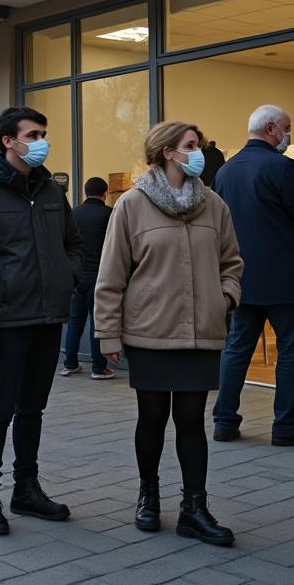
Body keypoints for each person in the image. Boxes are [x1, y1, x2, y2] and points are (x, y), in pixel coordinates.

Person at [95, 120, 243, 545]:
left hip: (201, 333)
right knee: (153, 418)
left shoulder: (214, 204)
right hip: (150, 333)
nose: (199, 152)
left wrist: (225, 298)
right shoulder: (132, 205)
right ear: (167, 152)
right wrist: (108, 334)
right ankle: (148, 496)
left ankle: (194, 508)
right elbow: (111, 276)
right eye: (192, 145)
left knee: (192, 420)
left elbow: (232, 262)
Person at [0, 106, 83, 536]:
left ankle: (26, 488)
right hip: (5, 322)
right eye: (33, 133)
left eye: (44, 132)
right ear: (8, 140)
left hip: (47, 317)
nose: (42, 140)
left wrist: (69, 277)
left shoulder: (49, 190)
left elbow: (73, 242)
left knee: (33, 409)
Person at [211, 105, 294, 446]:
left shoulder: (226, 172)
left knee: (235, 349)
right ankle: (287, 424)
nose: (289, 135)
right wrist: (290, 243)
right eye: (288, 128)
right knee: (290, 351)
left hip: (240, 276)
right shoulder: (283, 168)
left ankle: (224, 421)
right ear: (272, 128)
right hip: (282, 277)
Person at [62, 177, 114, 379]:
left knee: (75, 320)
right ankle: (98, 367)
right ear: (105, 193)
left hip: (77, 275)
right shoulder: (109, 214)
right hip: (99, 276)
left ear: (85, 192)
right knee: (97, 321)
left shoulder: (74, 214)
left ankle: (70, 363)